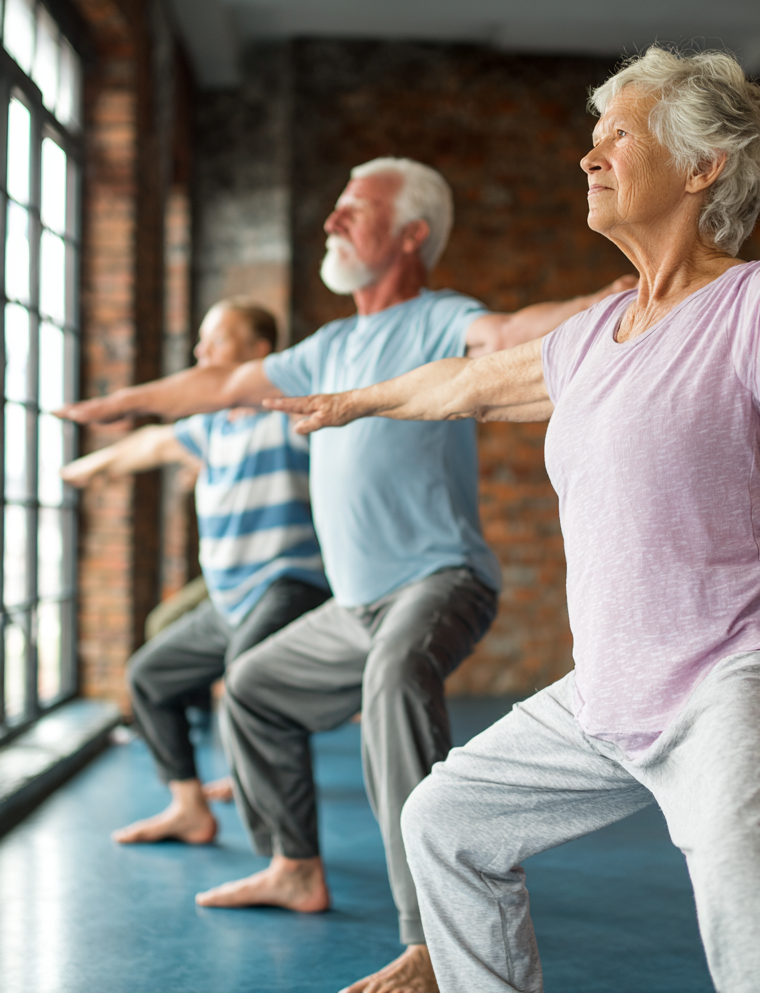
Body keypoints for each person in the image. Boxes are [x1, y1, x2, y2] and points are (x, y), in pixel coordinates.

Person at [271, 47, 760, 993]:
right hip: (608, 693)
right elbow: (467, 383)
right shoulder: (589, 337)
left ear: (704, 165)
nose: (590, 157)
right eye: (592, 139)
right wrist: (354, 401)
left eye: (618, 135)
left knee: (746, 870)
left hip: (745, 677)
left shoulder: (758, 307)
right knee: (445, 820)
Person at [58, 156, 634, 993]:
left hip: (439, 580)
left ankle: (435, 942)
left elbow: (510, 332)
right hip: (357, 604)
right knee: (253, 687)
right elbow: (222, 382)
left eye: (353, 211)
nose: (332, 222)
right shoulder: (328, 347)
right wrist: (130, 403)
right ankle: (294, 866)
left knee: (395, 677)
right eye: (335, 208)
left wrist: (597, 306)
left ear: (411, 235)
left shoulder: (441, 317)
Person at [62, 298, 331, 844]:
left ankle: (291, 855)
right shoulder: (210, 429)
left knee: (248, 681)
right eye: (202, 340)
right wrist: (88, 468)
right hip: (228, 597)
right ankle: (189, 808)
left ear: (259, 351)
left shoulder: (289, 415)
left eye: (217, 339)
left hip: (286, 583)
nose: (200, 350)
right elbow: (152, 442)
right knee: (148, 677)